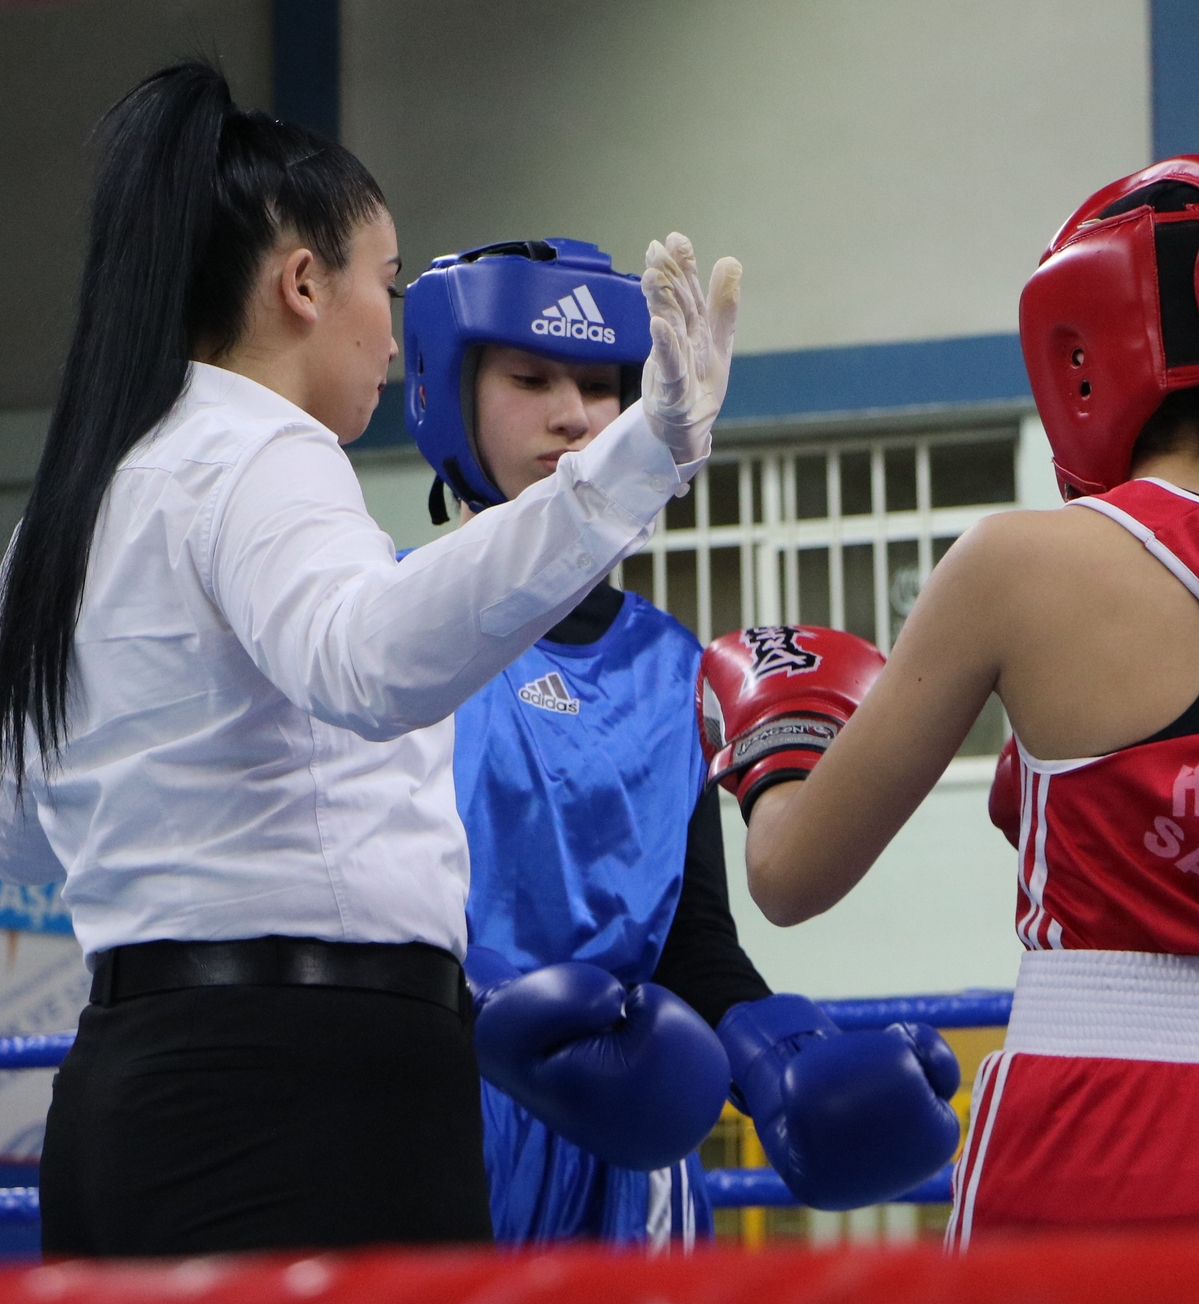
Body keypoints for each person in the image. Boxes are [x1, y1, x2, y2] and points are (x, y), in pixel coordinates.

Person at [0, 62, 741, 1257]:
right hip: (302, 1087)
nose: (390, 333)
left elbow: (14, 833)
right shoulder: (260, 451)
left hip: (129, 1080)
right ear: (300, 284)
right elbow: (372, 664)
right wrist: (640, 453)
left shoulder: (70, 506)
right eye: (383, 283)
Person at [705, 156, 1199, 1243]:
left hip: (1108, 1118)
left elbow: (790, 879)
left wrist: (781, 743)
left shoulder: (1017, 565)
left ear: (1086, 344)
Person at [407, 239, 963, 1247]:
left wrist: (780, 1057)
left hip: (633, 1138)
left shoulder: (668, 665)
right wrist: (491, 1005)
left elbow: (690, 938)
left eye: (598, 386)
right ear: (451, 397)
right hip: (439, 1118)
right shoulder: (386, 624)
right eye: (530, 380)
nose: (573, 415)